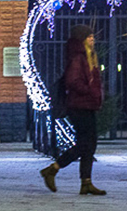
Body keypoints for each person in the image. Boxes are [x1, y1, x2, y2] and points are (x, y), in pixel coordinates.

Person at [40, 24, 106, 195]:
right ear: (81, 40)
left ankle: (86, 182)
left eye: (92, 36)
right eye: (88, 37)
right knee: (85, 144)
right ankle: (53, 168)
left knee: (89, 145)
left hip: (87, 105)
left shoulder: (89, 57)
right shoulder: (78, 58)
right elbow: (72, 81)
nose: (92, 39)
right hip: (79, 106)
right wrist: (90, 91)